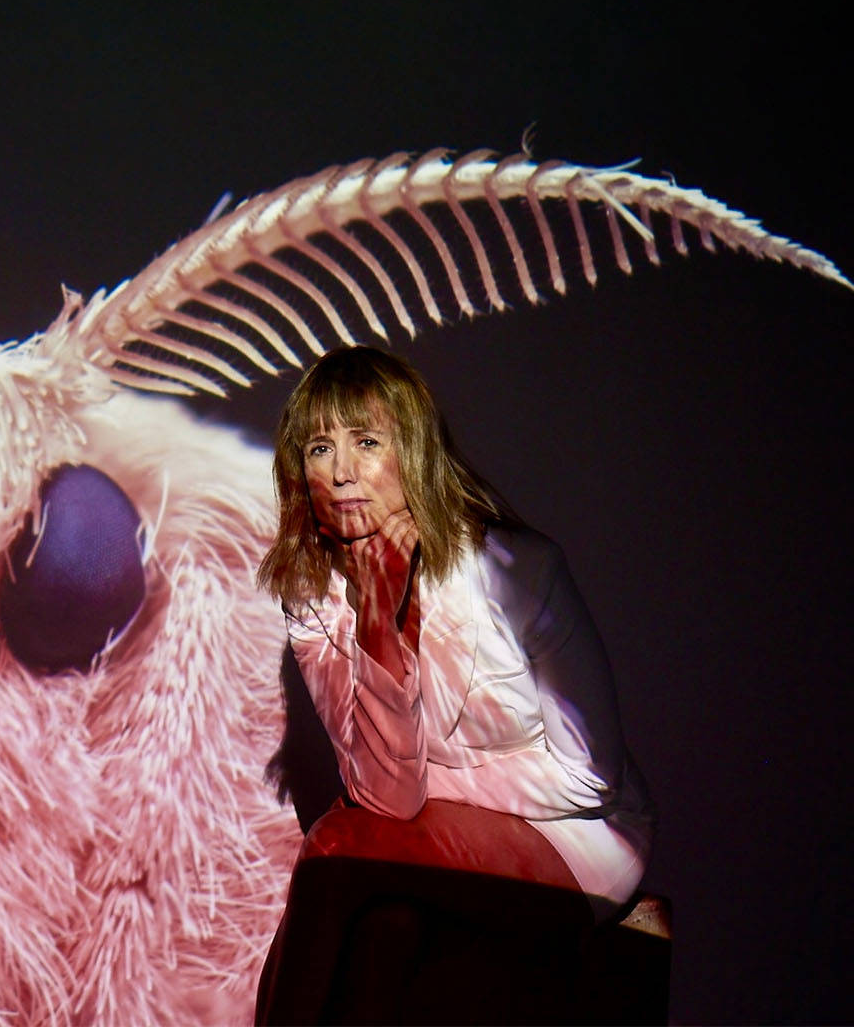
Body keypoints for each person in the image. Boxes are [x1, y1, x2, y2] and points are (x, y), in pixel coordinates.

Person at [253, 346, 654, 1023]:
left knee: (336, 843)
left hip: (576, 842)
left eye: (367, 442)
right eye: (320, 447)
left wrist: (432, 803)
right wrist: (380, 624)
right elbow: (385, 794)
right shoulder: (314, 598)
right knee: (385, 934)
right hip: (414, 845)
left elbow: (591, 780)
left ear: (411, 455)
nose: (343, 472)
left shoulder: (515, 571)